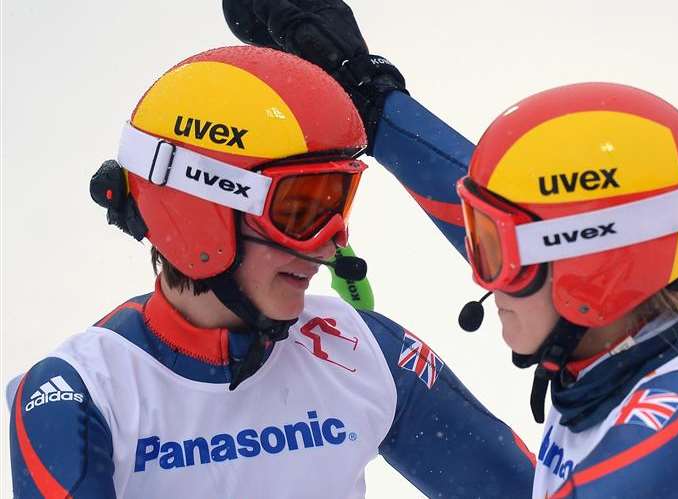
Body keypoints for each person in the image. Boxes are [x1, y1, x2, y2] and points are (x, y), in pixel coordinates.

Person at [224, 2, 678, 497]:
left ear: (592, 275)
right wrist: (375, 107)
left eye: (493, 251)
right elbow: (526, 227)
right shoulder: (613, 367)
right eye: (478, 240)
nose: (485, 280)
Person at [8, 46, 536, 498]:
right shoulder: (80, 394)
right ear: (200, 215)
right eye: (300, 210)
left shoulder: (362, 351)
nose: (330, 244)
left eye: (339, 203)